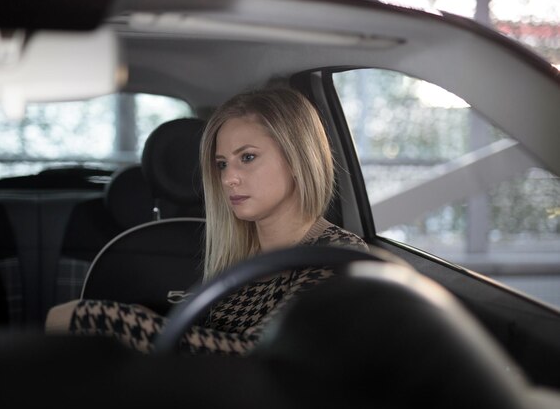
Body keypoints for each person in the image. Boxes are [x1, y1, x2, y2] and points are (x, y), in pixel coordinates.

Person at [45, 88, 368, 355]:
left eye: (248, 157)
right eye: (222, 164)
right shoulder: (241, 255)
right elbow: (211, 344)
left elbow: (255, 357)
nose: (229, 178)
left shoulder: (338, 257)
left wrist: (95, 317)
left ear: (298, 158)